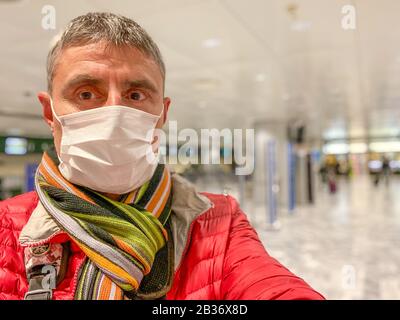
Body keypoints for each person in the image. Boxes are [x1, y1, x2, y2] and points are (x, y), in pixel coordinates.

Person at [0, 13, 324, 300]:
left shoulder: (217, 221)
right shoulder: (6, 228)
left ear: (162, 114)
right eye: (86, 93)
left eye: (136, 94)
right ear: (49, 112)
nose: (114, 112)